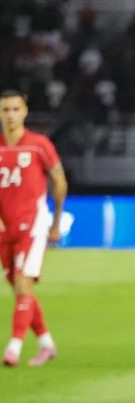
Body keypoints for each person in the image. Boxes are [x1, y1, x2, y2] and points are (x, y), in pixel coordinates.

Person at [0, 89, 68, 367]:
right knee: (20, 290)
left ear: (25, 111)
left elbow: (60, 182)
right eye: (5, 110)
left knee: (23, 283)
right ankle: (46, 344)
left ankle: (13, 349)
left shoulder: (39, 145)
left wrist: (55, 224)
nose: (11, 115)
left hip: (32, 226)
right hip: (4, 230)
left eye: (16, 109)